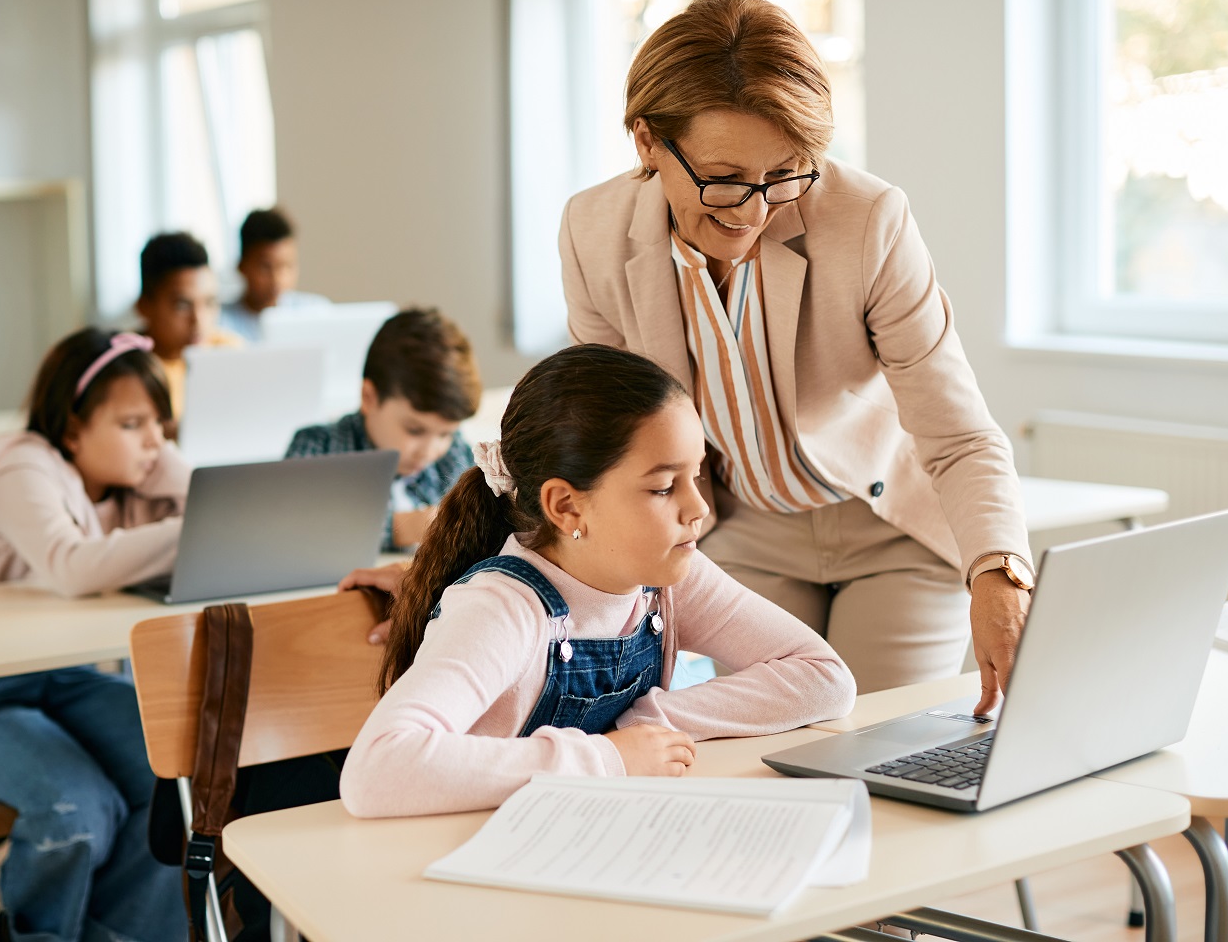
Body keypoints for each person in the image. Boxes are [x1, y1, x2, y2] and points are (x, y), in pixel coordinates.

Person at [558, 0, 1033, 712]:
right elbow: (597, 439)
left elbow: (957, 431)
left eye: (784, 174)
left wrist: (999, 573)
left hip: (891, 528)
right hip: (744, 532)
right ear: (648, 143)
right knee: (777, 753)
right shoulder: (592, 232)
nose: (752, 211)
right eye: (723, 177)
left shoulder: (868, 220)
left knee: (887, 751)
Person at [339, 344, 854, 818]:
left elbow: (824, 678)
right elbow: (377, 771)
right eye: (662, 487)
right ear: (566, 506)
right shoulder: (502, 608)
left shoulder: (671, 578)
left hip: (598, 833)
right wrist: (606, 756)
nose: (698, 509)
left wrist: (651, 720)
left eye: (696, 476)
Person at [0, 328, 187, 941]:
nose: (153, 441)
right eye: (132, 424)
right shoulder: (21, 464)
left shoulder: (132, 480)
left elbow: (224, 512)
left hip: (64, 682)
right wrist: (195, 519)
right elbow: (72, 564)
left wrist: (165, 458)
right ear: (70, 429)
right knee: (77, 811)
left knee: (180, 778)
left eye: (162, 426)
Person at [286, 307, 479, 552]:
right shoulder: (318, 448)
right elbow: (295, 529)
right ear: (369, 397)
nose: (429, 451)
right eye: (415, 430)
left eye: (445, 434)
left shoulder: (455, 454)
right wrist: (404, 527)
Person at [137, 231, 241, 426]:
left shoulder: (231, 351)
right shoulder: (127, 369)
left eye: (210, 303)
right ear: (144, 306)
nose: (199, 321)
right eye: (183, 306)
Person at [219, 207, 328, 342]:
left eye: (287, 266)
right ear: (241, 266)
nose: (277, 279)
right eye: (265, 267)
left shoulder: (316, 313)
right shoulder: (220, 323)